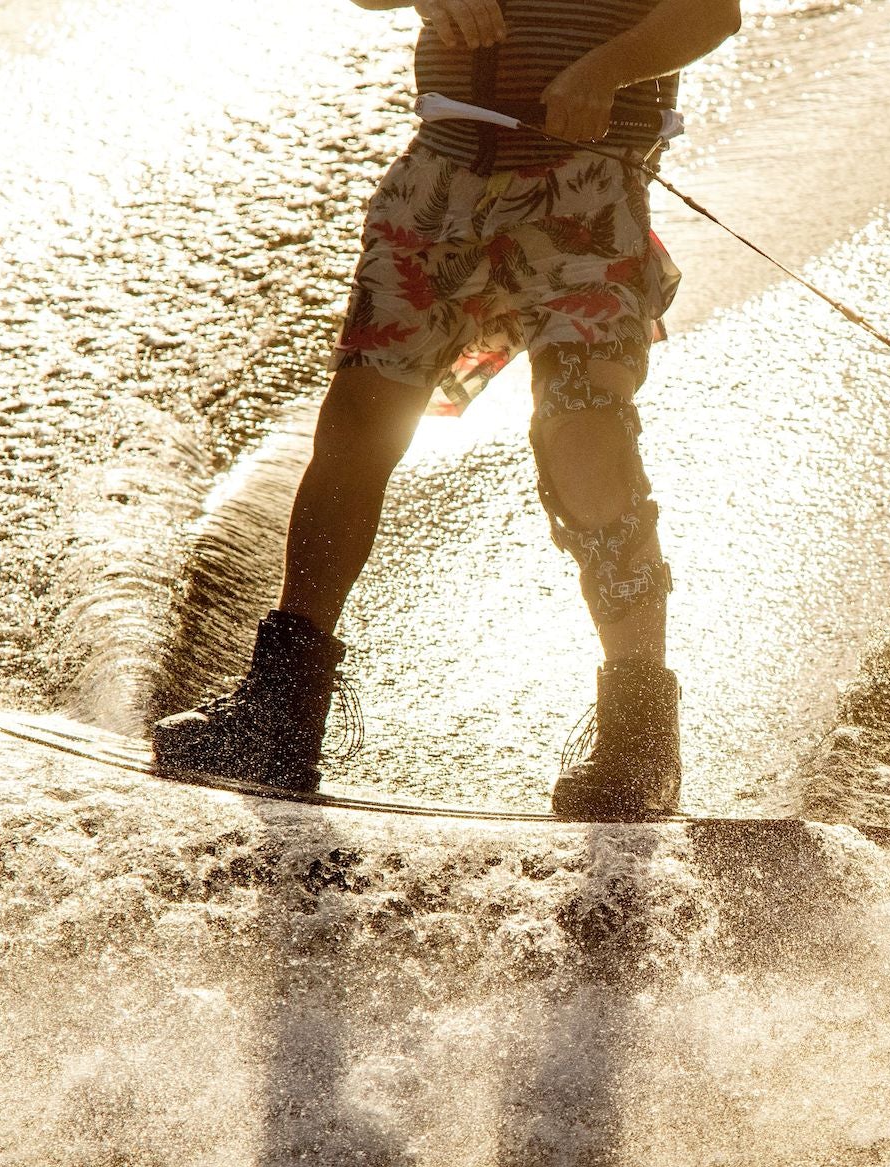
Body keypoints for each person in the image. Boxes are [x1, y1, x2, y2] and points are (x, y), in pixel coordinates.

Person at [152, 0, 743, 818]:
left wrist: (602, 72)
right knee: (359, 425)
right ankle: (279, 714)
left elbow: (712, 12)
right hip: (442, 182)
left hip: (587, 189)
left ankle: (638, 747)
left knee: (584, 437)